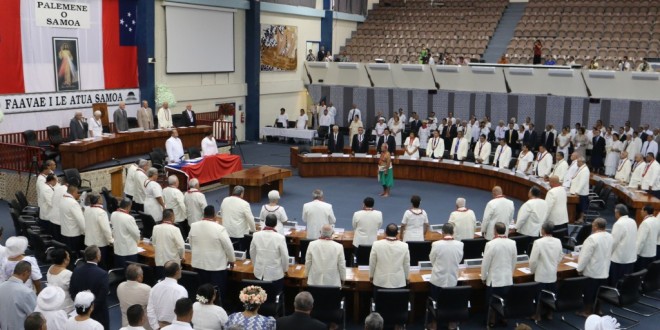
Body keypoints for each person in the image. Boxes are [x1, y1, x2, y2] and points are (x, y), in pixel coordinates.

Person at [189, 205, 235, 302]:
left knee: (202, 292)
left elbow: (191, 243)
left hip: (198, 264)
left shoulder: (194, 226)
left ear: (204, 214)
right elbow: (228, 247)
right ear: (214, 215)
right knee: (217, 293)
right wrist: (231, 260)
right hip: (216, 267)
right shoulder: (219, 228)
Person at [481, 222, 517, 327]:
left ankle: (491, 320)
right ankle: (503, 318)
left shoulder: (490, 244)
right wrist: (511, 274)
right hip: (507, 279)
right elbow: (514, 261)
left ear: (495, 231)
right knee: (504, 299)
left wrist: (483, 277)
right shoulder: (512, 243)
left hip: (494, 280)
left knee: (491, 302)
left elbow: (485, 263)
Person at [577, 218, 613, 317]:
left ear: (596, 226)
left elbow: (585, 256)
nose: (592, 227)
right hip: (604, 270)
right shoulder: (610, 236)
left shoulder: (592, 238)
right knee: (600, 291)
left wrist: (579, 269)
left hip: (592, 271)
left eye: (593, 225)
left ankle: (587, 311)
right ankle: (598, 310)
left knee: (589, 292)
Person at [530, 222, 564, 321]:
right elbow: (561, 255)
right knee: (551, 295)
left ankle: (537, 315)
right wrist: (554, 264)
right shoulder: (558, 241)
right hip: (552, 273)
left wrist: (532, 270)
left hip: (541, 274)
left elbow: (533, 260)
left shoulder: (538, 242)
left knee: (539, 296)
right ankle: (550, 314)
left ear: (543, 230)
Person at [69, 246, 109, 329]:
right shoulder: (103, 274)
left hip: (79, 312)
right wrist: (91, 308)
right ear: (97, 257)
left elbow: (72, 291)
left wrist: (80, 304)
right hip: (99, 314)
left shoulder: (76, 270)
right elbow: (102, 297)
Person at [250, 214, 289, 292]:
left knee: (259, 298)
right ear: (276, 224)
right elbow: (285, 256)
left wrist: (256, 265)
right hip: (275, 275)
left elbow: (252, 252)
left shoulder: (256, 235)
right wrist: (285, 269)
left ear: (265, 222)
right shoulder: (280, 238)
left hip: (259, 273)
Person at [147, 261, 188, 329]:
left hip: (159, 326)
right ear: (177, 272)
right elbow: (182, 313)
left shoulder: (154, 287)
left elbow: (150, 310)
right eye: (180, 268)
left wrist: (156, 327)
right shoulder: (181, 291)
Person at [369, 224, 410, 291]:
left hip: (380, 281)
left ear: (385, 232)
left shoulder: (376, 244)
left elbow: (372, 262)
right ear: (397, 233)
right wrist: (407, 277)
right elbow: (406, 264)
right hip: (398, 282)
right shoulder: (404, 246)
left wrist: (371, 276)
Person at [0, 261, 37, 330]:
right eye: (29, 274)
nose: (29, 277)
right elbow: (35, 317)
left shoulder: (1, 287)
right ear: (26, 272)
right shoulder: (27, 292)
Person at [429, 223, 464, 295]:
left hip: (437, 280)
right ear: (453, 233)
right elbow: (459, 260)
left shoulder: (436, 244)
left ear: (442, 232)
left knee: (436, 303)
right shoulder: (460, 244)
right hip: (453, 280)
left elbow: (432, 260)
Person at [609, 204, 638, 285]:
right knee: (626, 282)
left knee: (616, 282)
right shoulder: (633, 221)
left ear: (617, 213)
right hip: (630, 257)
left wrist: (607, 254)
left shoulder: (618, 224)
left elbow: (614, 242)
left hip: (619, 259)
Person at [220, 186, 256, 250]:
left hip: (226, 232)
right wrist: (253, 230)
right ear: (242, 193)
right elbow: (250, 219)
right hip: (239, 234)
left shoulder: (225, 200)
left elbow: (222, 214)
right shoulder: (245, 204)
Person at [117, 264, 152, 330]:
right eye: (142, 274)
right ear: (139, 277)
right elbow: (152, 307)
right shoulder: (146, 289)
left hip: (126, 324)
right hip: (142, 325)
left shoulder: (120, 286)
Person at [152, 209, 185, 276]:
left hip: (159, 261)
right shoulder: (175, 229)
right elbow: (181, 247)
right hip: (172, 264)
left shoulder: (155, 228)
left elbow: (154, 244)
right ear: (172, 217)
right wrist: (182, 257)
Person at [84, 193, 113, 269]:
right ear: (98, 200)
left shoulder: (87, 209)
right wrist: (111, 240)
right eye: (101, 197)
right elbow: (106, 229)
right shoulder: (101, 212)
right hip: (99, 244)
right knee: (102, 266)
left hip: (88, 242)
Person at [111, 198, 141, 268]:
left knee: (120, 272)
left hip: (118, 249)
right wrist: (138, 241)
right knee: (131, 273)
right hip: (129, 251)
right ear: (128, 206)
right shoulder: (129, 218)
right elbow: (136, 234)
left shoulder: (113, 214)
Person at [46, 248, 74, 313]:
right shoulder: (67, 274)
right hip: (66, 307)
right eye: (68, 256)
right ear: (65, 260)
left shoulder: (51, 267)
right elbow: (73, 290)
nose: (69, 258)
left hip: (53, 302)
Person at [60, 185, 86, 254]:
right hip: (73, 235)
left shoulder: (62, 199)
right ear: (73, 192)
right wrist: (85, 232)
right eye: (77, 192)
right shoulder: (73, 203)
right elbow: (80, 220)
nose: (78, 194)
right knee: (75, 254)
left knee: (68, 254)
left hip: (64, 232)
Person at [636, 205, 659, 270]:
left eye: (642, 210)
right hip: (652, 252)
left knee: (640, 272)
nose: (641, 211)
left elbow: (641, 240)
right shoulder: (656, 220)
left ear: (645, 212)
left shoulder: (645, 223)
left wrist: (636, 253)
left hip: (644, 254)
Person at [569, 157, 590, 222]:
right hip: (576, 191)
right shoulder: (581, 168)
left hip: (581, 192)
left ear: (582, 162)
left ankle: (581, 219)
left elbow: (582, 182)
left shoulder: (585, 170)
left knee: (582, 207)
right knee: (578, 207)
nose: (577, 163)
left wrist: (577, 192)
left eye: (578, 162)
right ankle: (576, 217)